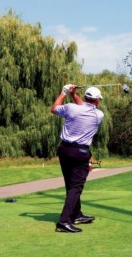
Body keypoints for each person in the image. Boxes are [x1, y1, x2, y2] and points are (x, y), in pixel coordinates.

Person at [51, 84, 104, 233]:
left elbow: (54, 109)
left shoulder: (70, 108)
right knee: (76, 187)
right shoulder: (98, 115)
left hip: (64, 149)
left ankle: (76, 214)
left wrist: (65, 93)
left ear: (86, 97)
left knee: (70, 184)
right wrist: (73, 94)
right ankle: (63, 221)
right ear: (97, 101)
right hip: (80, 152)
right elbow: (84, 107)